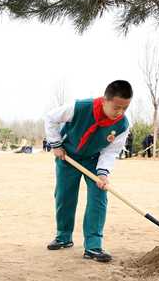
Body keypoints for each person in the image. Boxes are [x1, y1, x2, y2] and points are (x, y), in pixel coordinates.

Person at [44, 80, 132, 263]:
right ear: (104, 100)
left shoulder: (122, 125)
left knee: (99, 197)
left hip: (94, 159)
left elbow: (111, 151)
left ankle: (93, 246)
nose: (120, 112)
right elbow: (51, 118)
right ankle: (63, 236)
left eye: (125, 108)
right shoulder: (80, 107)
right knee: (64, 196)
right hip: (67, 156)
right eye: (117, 107)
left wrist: (103, 173)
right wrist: (56, 144)